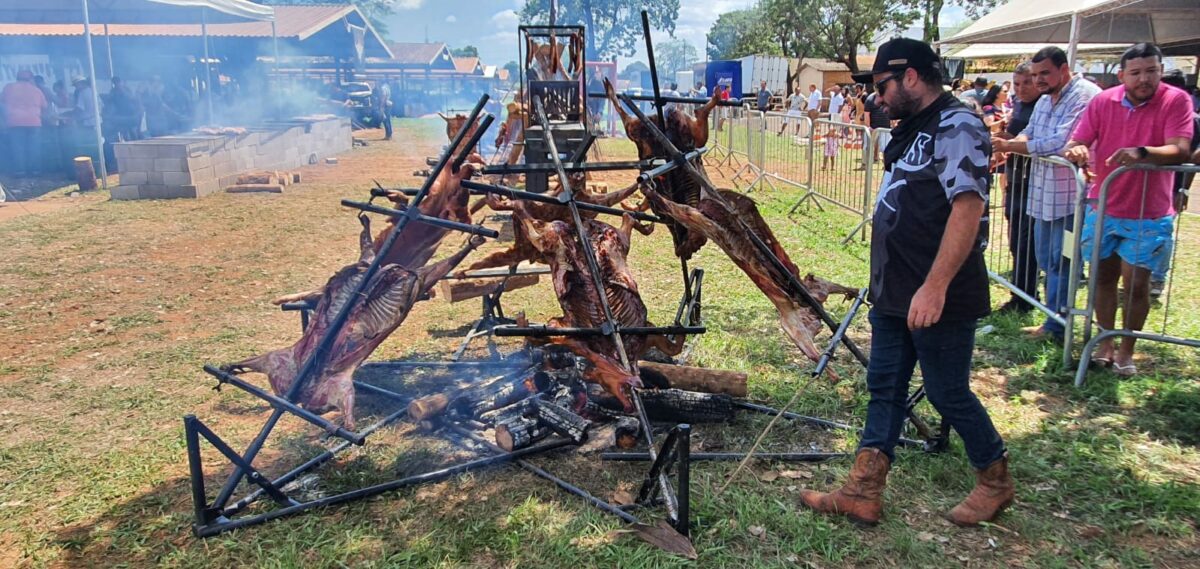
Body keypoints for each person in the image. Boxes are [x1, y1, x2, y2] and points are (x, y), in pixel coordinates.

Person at [797, 38, 1011, 528]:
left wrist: (935, 286)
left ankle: (995, 479)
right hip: (896, 288)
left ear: (911, 77)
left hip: (939, 292)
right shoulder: (914, 128)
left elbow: (968, 206)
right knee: (885, 386)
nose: (877, 97)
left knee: (946, 392)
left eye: (883, 85)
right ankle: (863, 490)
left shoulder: (957, 124)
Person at [1063, 43, 1193, 376]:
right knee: (1102, 279)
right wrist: (1076, 149)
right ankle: (1106, 341)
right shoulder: (1103, 101)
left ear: (1161, 70)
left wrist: (1143, 152)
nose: (1144, 79)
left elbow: (1180, 149)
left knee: (1136, 284)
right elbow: (1077, 140)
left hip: (1149, 213)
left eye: (1151, 70)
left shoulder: (1176, 100)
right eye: (1136, 73)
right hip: (1104, 206)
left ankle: (1127, 348)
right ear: (1122, 75)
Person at [992, 46, 1101, 341]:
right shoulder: (1045, 100)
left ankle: (1058, 326)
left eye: (1044, 74)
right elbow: (1031, 131)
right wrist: (1013, 142)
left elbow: (1060, 142)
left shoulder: (1085, 95)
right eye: (1035, 74)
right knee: (1046, 259)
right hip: (1041, 195)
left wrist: (1010, 146)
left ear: (1063, 70)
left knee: (1064, 261)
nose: (1039, 80)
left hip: (1070, 199)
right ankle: (1052, 319)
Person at [994, 62, 1041, 313]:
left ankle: (1027, 296)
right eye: (1017, 83)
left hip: (1036, 184)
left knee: (1028, 244)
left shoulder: (1042, 106)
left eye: (1027, 82)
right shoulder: (1020, 105)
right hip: (1016, 181)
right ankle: (1021, 293)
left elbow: (1027, 141)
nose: (1021, 88)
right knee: (1016, 243)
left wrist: (1007, 144)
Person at [1150, 69, 1198, 298]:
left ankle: (1157, 278)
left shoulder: (1192, 120)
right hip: (1151, 186)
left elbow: (1195, 157)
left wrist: (1184, 190)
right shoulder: (1155, 114)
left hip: (1174, 186)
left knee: (1164, 235)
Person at [1, 69, 48, 175]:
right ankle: (35, 171)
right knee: (34, 147)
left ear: (17, 78)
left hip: (14, 122)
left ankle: (20, 171)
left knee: (18, 148)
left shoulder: (9, 88)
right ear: (30, 79)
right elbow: (45, 106)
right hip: (34, 122)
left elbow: (2, 102)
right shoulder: (36, 90)